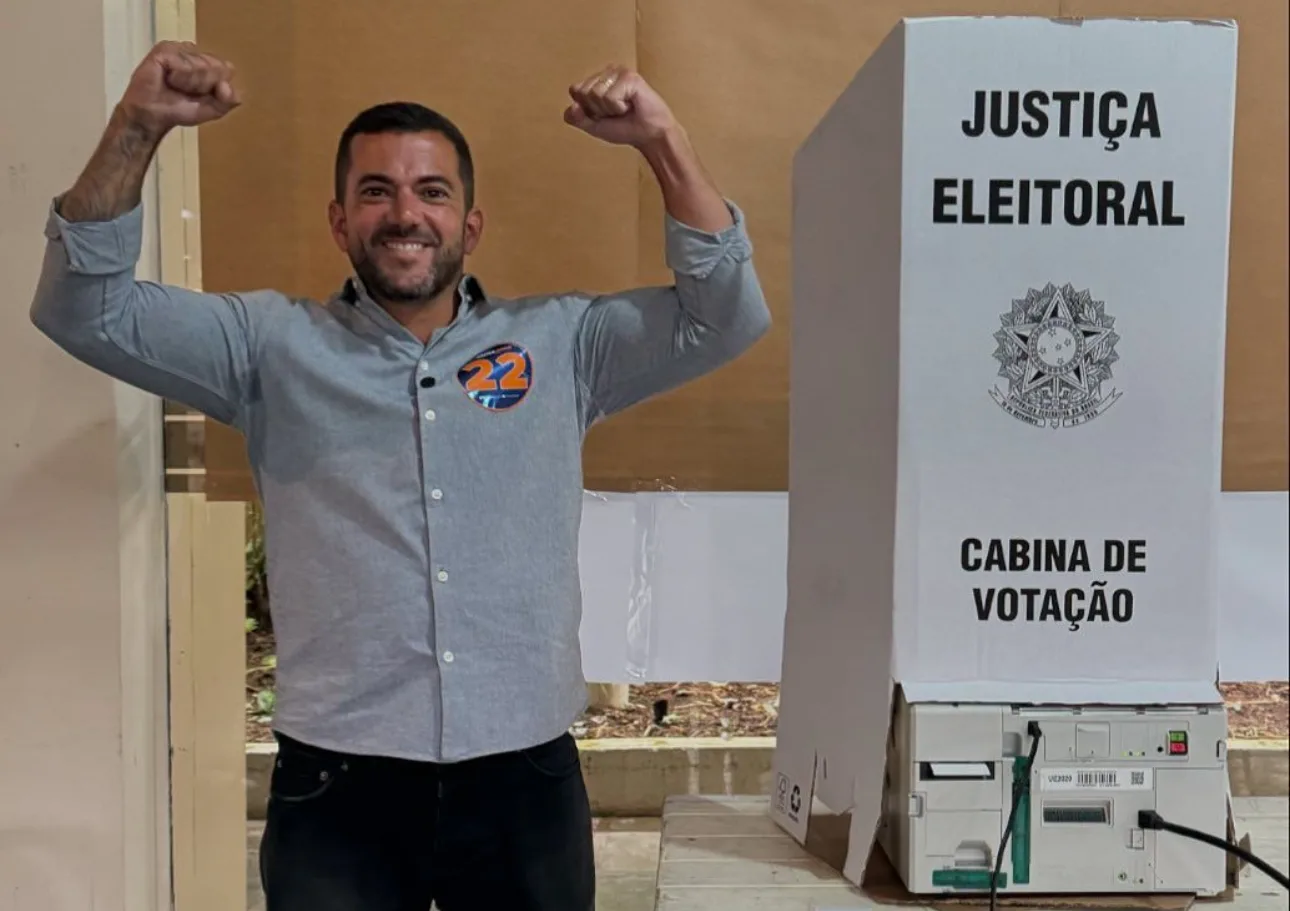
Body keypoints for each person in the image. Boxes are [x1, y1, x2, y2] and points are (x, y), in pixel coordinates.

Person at [30, 40, 770, 911]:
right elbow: (84, 307)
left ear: (470, 225)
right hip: (338, 790)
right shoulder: (267, 348)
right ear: (340, 221)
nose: (404, 212)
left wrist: (662, 140)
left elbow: (726, 314)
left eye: (432, 191)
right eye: (376, 191)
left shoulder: (564, 343)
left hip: (523, 785)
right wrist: (137, 124)